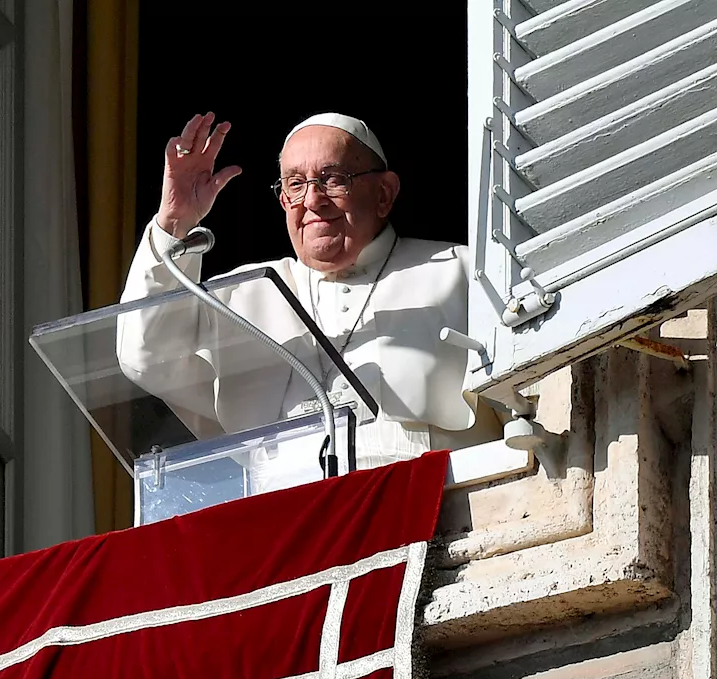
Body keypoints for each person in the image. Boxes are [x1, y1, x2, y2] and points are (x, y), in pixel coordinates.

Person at [117, 111, 500, 479]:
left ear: (384, 193)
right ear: (283, 201)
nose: (313, 201)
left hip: (438, 500)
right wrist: (173, 222)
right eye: (295, 184)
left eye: (333, 179)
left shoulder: (464, 272)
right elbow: (145, 356)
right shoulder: (245, 293)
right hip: (284, 516)